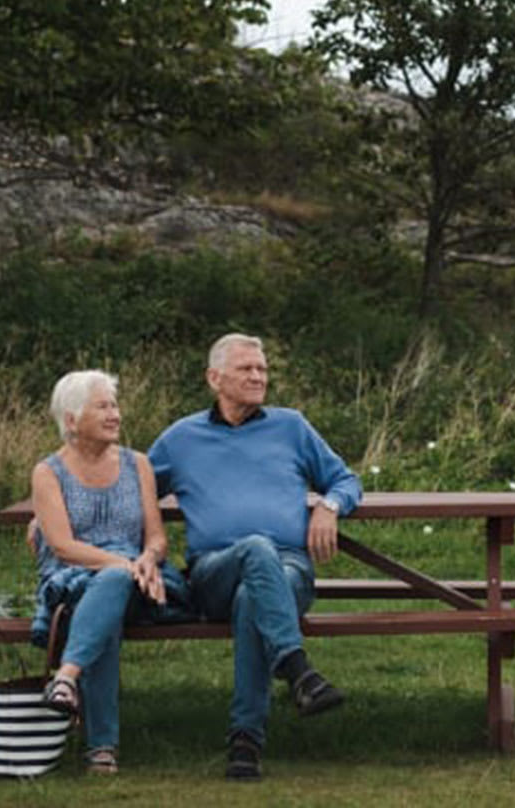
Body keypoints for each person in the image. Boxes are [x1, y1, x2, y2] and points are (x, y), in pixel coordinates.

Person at [148, 333, 363, 781]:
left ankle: (245, 743)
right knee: (255, 550)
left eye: (262, 369)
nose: (258, 376)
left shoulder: (291, 426)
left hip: (290, 570)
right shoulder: (181, 439)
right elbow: (125, 489)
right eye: (246, 368)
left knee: (255, 596)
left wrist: (329, 505)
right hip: (214, 574)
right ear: (215, 378)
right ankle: (296, 667)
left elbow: (345, 480)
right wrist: (52, 512)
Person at [29, 368, 186, 774]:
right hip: (73, 578)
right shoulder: (48, 473)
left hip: (140, 583)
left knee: (112, 591)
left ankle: (68, 682)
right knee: (106, 600)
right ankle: (100, 746)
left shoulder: (139, 465)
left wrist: (148, 559)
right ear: (71, 420)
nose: (114, 414)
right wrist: (126, 565)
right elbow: (62, 546)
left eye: (114, 405)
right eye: (102, 406)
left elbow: (156, 537)